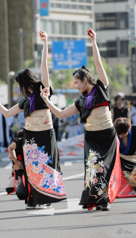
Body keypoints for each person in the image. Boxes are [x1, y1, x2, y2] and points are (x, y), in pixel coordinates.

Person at [40, 27, 121, 211]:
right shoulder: (80, 102)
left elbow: (98, 61)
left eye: (76, 82)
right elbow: (60, 114)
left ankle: (103, 198)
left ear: (85, 80)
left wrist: (93, 42)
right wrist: (46, 100)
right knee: (94, 169)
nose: (75, 86)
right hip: (91, 138)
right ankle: (99, 199)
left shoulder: (102, 87)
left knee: (105, 168)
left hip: (107, 136)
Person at [0, 31, 66, 209]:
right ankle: (34, 199)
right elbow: (8, 113)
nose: (20, 88)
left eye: (20, 84)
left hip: (46, 133)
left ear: (25, 82)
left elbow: (44, 66)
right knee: (33, 167)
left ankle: (47, 198)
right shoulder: (25, 101)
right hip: (30, 135)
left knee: (47, 164)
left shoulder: (43, 89)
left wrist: (45, 43)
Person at [114, 118, 136, 197]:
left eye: (124, 133)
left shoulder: (135, 130)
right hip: (121, 161)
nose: (121, 136)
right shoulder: (113, 134)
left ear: (129, 129)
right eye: (119, 134)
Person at [6, 130, 25, 200]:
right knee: (9, 189)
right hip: (17, 171)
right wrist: (16, 161)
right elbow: (10, 156)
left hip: (26, 170)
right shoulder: (16, 142)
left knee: (22, 192)